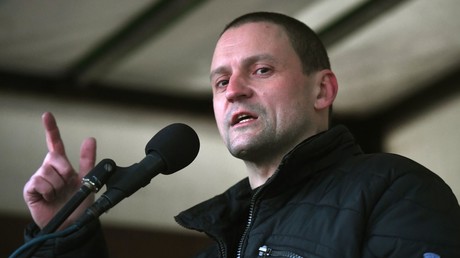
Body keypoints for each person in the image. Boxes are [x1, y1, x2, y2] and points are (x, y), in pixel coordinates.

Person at [21, 12, 460, 257]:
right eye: (220, 81)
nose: (234, 90)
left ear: (322, 89)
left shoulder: (395, 189)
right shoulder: (218, 245)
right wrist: (69, 232)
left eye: (261, 69)